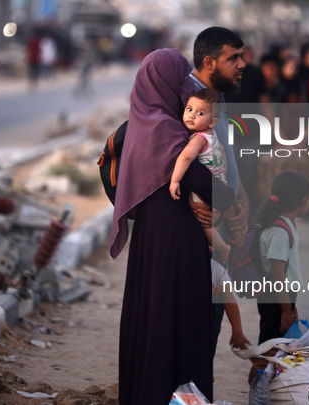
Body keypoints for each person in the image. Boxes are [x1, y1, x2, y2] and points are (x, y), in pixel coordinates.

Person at [110, 49, 235, 404]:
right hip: (178, 238)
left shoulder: (142, 123)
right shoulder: (167, 129)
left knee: (151, 317)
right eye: (181, 79)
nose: (186, 87)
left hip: (152, 236)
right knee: (179, 322)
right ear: (165, 82)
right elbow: (215, 191)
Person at [189, 27, 252, 358]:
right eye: (234, 58)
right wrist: (225, 204)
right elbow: (185, 164)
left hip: (221, 221)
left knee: (209, 329)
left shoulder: (217, 99)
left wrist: (240, 200)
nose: (242, 64)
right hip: (199, 229)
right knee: (197, 330)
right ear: (210, 62)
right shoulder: (192, 102)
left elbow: (222, 155)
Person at [170, 88, 231, 264]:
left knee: (199, 213)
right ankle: (212, 242)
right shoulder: (212, 136)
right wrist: (223, 179)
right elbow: (223, 156)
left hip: (205, 189)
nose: (192, 115)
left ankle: (221, 247)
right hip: (219, 183)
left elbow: (186, 157)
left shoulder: (198, 138)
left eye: (200, 113)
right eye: (189, 109)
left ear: (212, 122)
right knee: (210, 218)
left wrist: (175, 180)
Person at [254, 171, 309, 344]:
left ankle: (265, 370)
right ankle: (259, 371)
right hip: (274, 296)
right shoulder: (279, 231)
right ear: (302, 199)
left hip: (280, 296)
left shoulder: (285, 225)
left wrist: (290, 307)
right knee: (270, 343)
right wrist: (286, 311)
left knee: (277, 343)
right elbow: (278, 273)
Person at [210, 259, 250, 357]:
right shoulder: (216, 267)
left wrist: (237, 331)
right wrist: (237, 331)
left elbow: (230, 303)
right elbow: (230, 303)